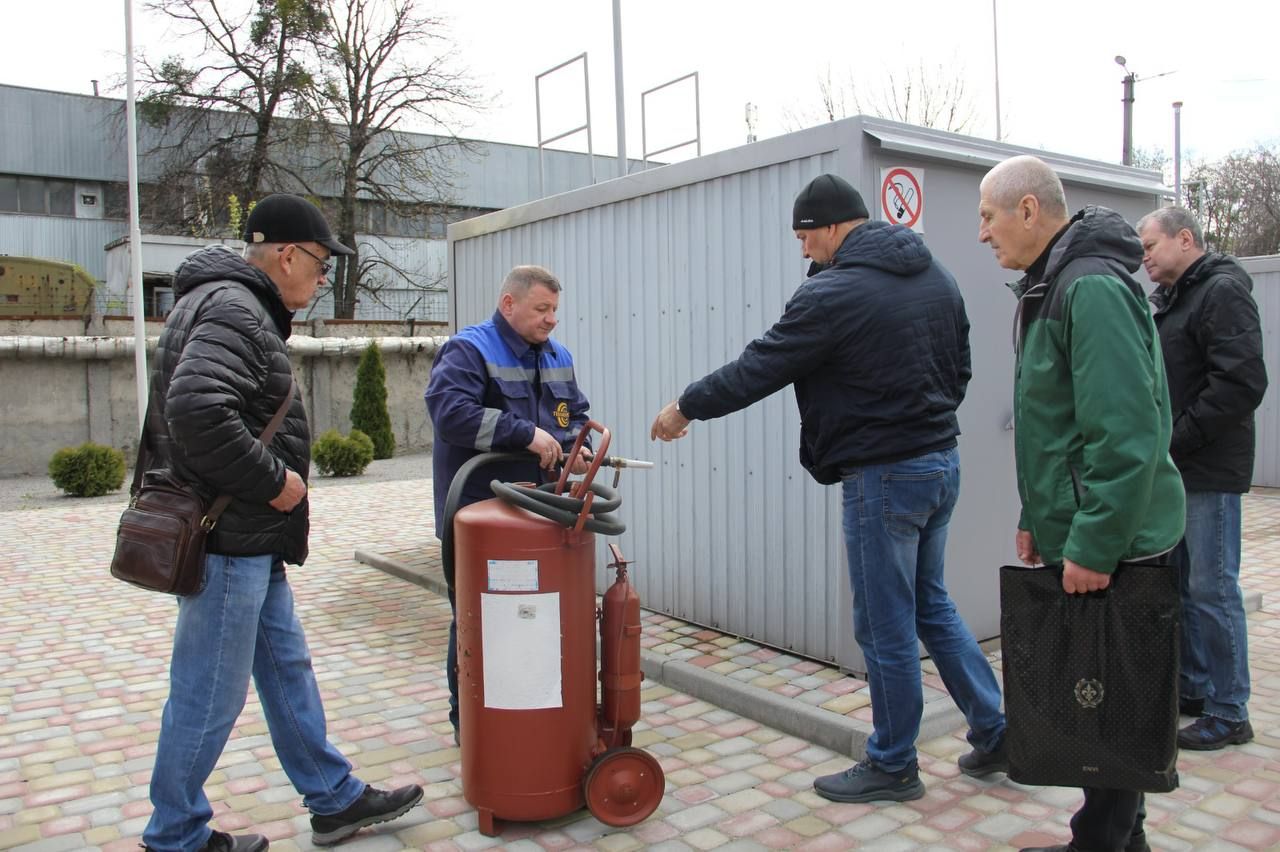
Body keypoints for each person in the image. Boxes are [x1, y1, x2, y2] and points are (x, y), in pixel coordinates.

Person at [650, 173, 1007, 804]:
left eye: (805, 235)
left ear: (836, 227)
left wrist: (687, 406)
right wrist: (924, 423)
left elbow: (759, 366)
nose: (802, 249)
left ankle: (893, 763)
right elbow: (962, 367)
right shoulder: (937, 276)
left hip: (885, 478)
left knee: (884, 624)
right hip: (939, 463)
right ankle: (996, 730)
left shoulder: (834, 294)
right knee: (931, 604)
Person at [141, 194, 423, 852]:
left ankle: (333, 798)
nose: (324, 282)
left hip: (245, 540)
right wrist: (275, 483)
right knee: (208, 694)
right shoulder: (236, 309)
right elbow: (198, 409)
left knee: (285, 668)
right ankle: (175, 835)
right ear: (288, 255)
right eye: (322, 266)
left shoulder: (223, 303)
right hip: (229, 538)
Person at [977, 155, 1186, 852]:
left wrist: (1094, 544)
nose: (982, 233)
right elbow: (1055, 425)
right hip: (1091, 528)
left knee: (1113, 702)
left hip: (1123, 538)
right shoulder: (1052, 284)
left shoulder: (1088, 288)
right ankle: (1126, 839)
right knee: (1105, 696)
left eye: (988, 215)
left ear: (1029, 210)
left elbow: (1126, 435)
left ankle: (1101, 839)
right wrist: (1037, 518)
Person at [425, 264, 591, 743]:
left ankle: (526, 711)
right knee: (477, 620)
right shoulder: (469, 350)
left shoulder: (558, 355)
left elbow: (573, 413)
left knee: (530, 617)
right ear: (509, 304)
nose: (551, 319)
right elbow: (451, 414)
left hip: (539, 516)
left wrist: (573, 445)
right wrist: (526, 434)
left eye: (555, 310)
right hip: (480, 516)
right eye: (542, 309)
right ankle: (471, 724)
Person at [1138, 205, 1265, 750]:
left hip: (1208, 469)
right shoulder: (1176, 298)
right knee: (1185, 586)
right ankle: (1194, 688)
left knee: (1212, 589)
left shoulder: (1221, 293)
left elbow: (1240, 383)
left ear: (1184, 239)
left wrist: (1176, 438)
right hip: (1179, 469)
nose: (1143, 257)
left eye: (1149, 246)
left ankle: (1230, 708)